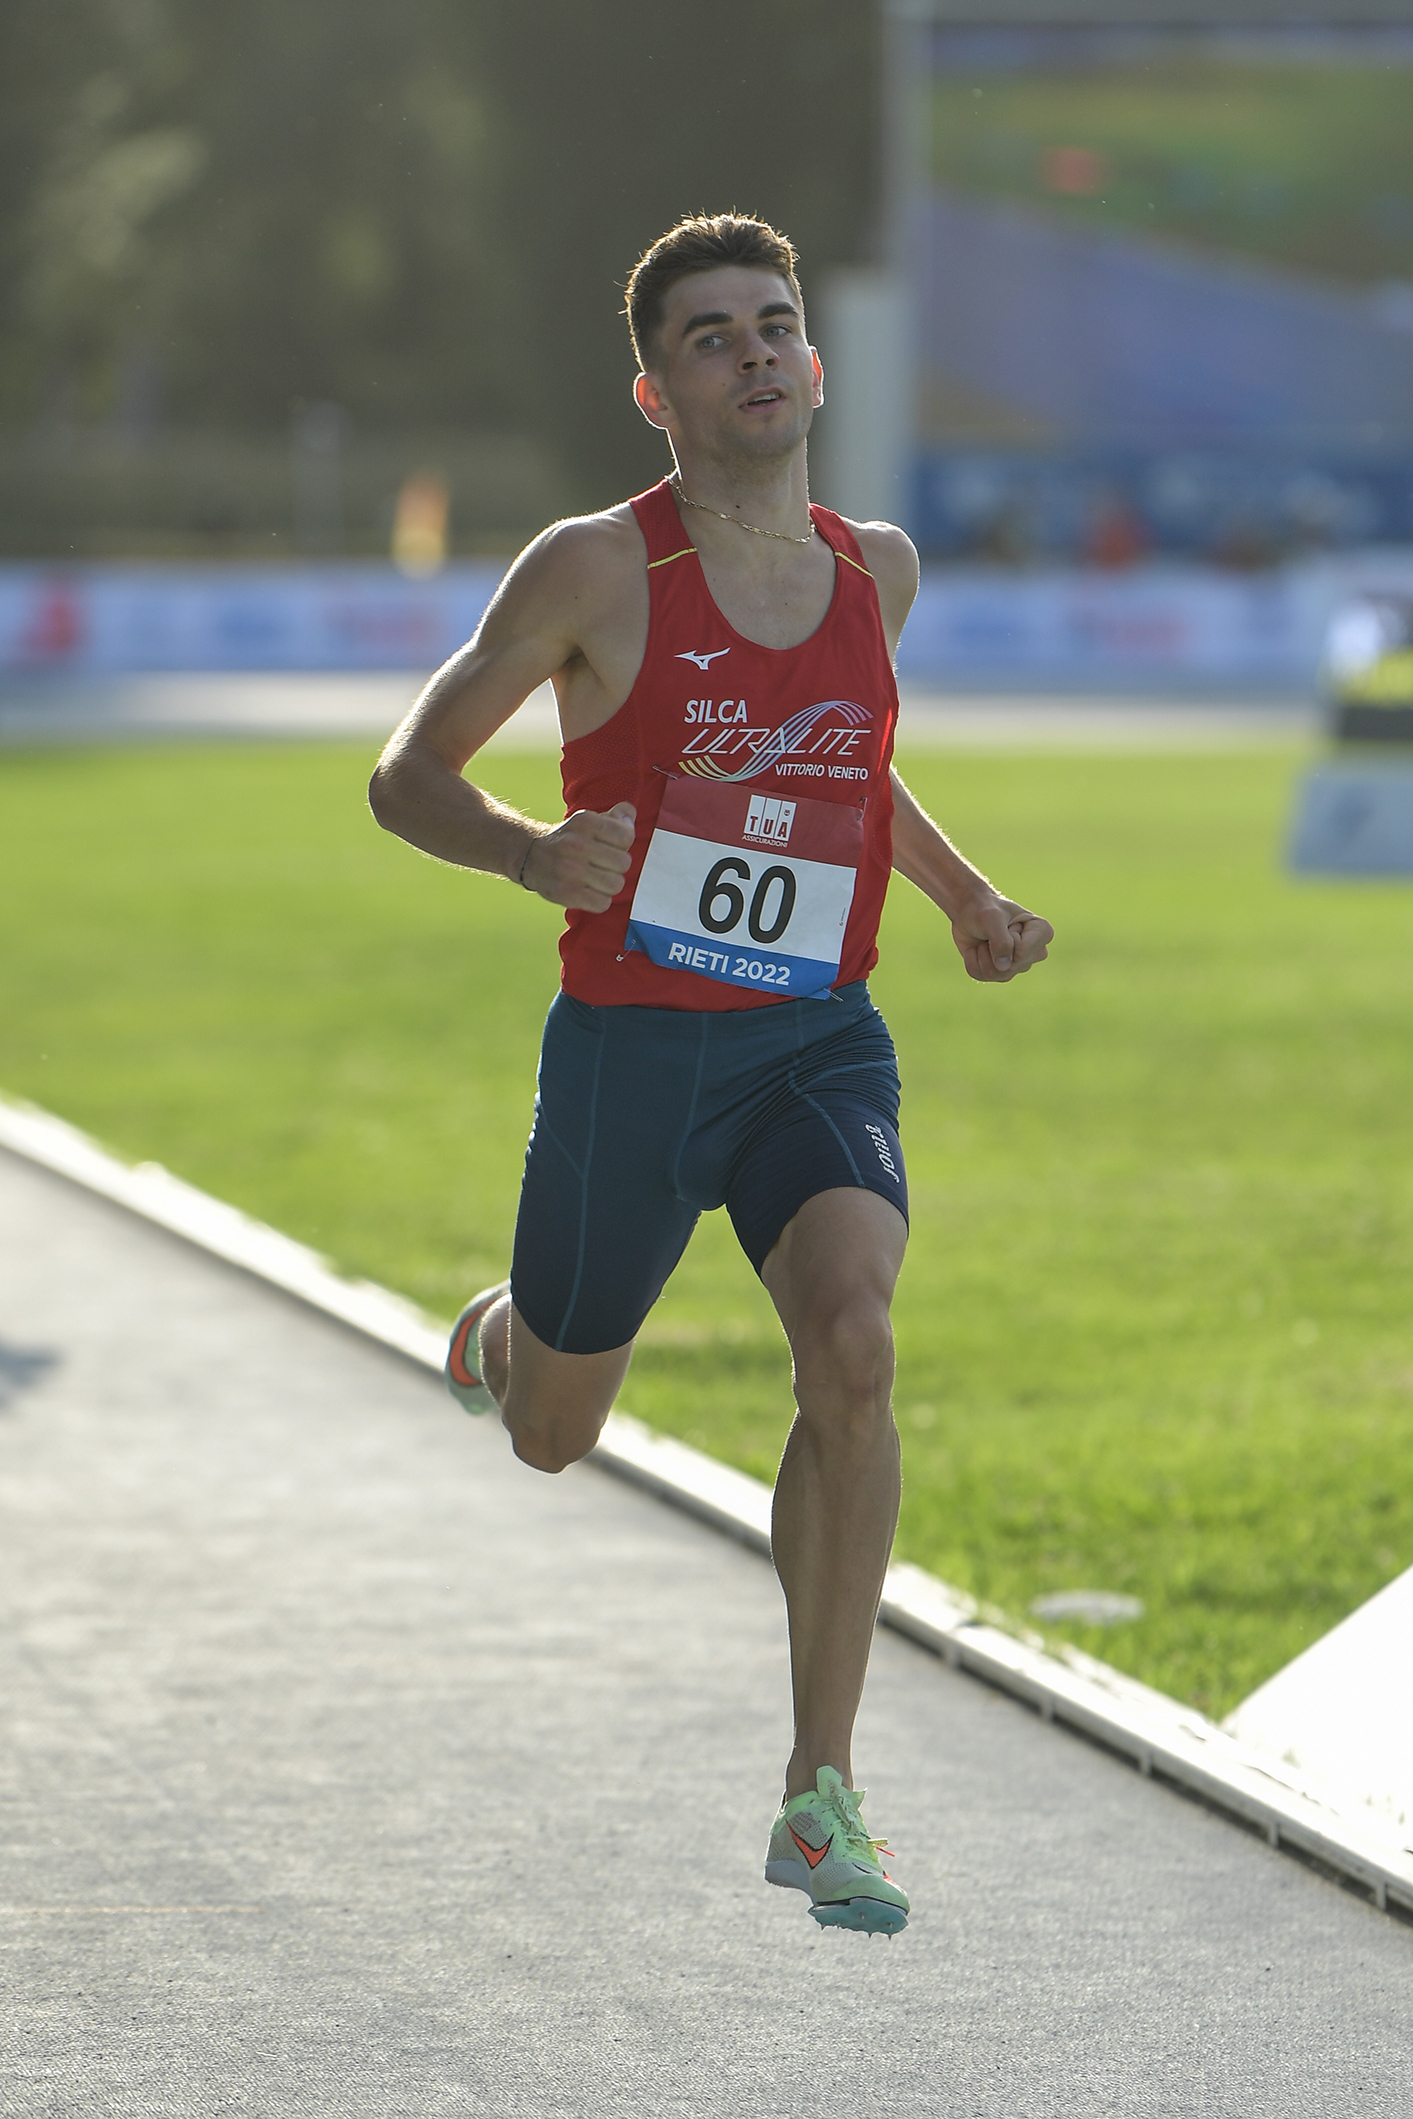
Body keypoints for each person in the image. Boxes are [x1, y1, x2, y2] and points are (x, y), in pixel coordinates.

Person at [368, 213, 1052, 1936]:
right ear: (654, 393)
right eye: (709, 336)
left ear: (811, 363)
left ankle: (820, 1793)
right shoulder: (595, 569)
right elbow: (405, 774)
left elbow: (851, 768)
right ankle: (511, 1332)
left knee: (855, 1348)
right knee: (552, 1437)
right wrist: (530, 853)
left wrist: (962, 897)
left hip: (813, 1038)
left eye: (772, 324)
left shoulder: (876, 568)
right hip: (633, 1054)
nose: (752, 352)